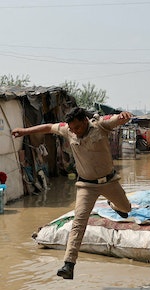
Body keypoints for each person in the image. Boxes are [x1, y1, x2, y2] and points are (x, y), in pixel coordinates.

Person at [12, 107, 133, 280]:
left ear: (85, 121)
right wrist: (24, 131)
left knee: (125, 209)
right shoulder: (67, 129)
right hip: (86, 186)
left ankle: (113, 205)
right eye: (72, 129)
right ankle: (69, 264)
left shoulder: (100, 126)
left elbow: (117, 118)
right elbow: (48, 127)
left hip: (109, 182)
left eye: (78, 127)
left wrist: (124, 117)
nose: (75, 131)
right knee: (78, 222)